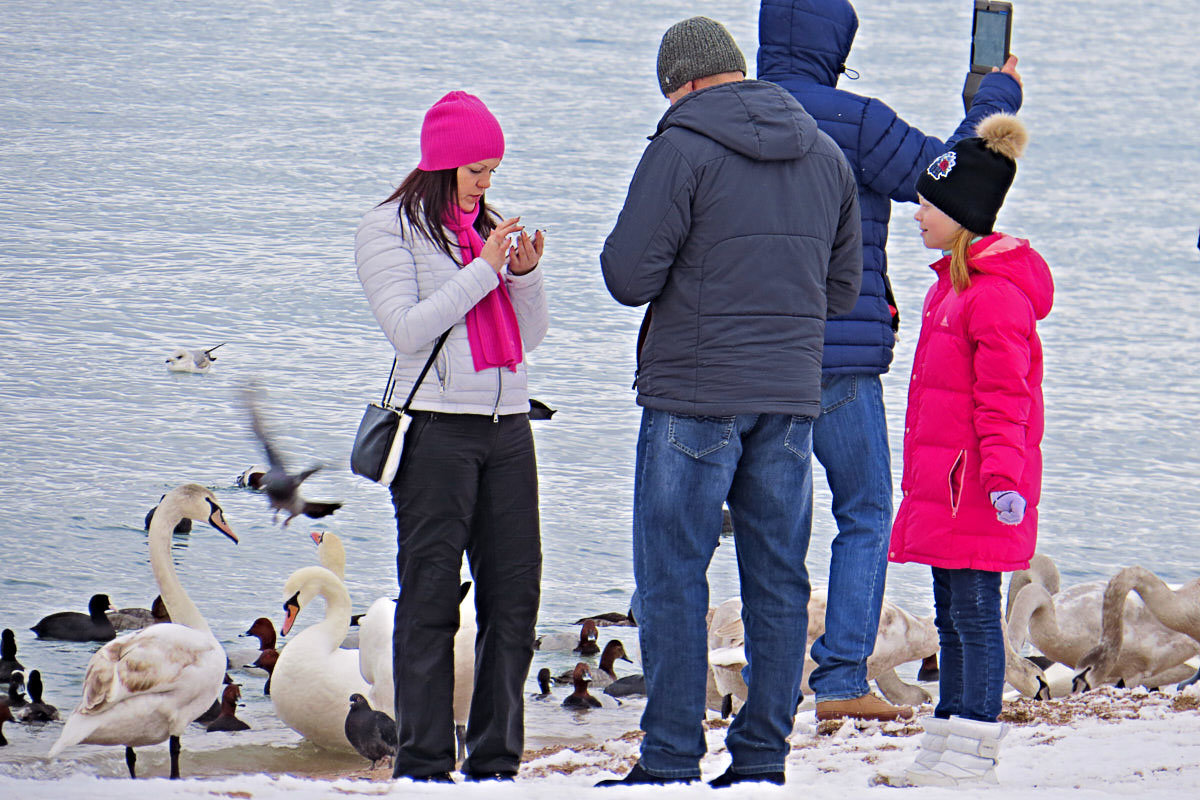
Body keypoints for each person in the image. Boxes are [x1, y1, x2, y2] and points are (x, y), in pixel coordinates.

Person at [598, 17, 862, 788]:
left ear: (679, 82)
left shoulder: (679, 147)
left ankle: (673, 757)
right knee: (777, 578)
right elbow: (841, 292)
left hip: (692, 395)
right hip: (787, 398)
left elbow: (627, 276)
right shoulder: (824, 154)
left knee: (673, 574)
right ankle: (761, 760)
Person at [756, 0, 1024, 722]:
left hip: (747, 361)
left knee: (770, 527)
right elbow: (953, 173)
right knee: (865, 512)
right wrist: (992, 97)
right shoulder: (858, 122)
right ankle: (840, 680)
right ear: (835, 44)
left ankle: (772, 689)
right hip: (840, 356)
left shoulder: (732, 113)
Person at [355, 90, 548, 783]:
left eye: (493, 170)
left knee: (516, 596)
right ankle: (425, 763)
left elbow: (528, 338)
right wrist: (486, 270)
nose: (486, 184)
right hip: (436, 434)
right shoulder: (388, 230)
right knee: (432, 595)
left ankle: (497, 762)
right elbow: (408, 329)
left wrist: (523, 277)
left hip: (508, 427)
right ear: (441, 166)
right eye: (476, 171)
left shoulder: (486, 228)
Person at [889, 113, 1052, 786]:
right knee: (951, 615)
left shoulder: (994, 300)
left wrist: (1007, 482)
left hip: (981, 487)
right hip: (945, 485)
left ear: (963, 213)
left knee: (979, 616)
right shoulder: (946, 290)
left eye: (929, 203)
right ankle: (944, 741)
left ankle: (974, 750)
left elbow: (1006, 401)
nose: (917, 213)